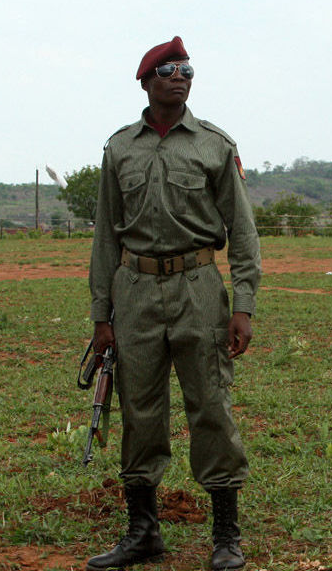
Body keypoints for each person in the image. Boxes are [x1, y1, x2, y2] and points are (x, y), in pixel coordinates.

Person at [86, 36, 261, 571]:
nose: (179, 75)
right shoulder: (120, 148)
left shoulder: (214, 145)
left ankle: (226, 536)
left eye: (186, 68)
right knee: (139, 412)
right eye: (167, 68)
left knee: (211, 406)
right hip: (134, 291)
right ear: (146, 81)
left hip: (199, 288)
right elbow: (105, 238)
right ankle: (143, 533)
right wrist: (101, 317)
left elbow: (242, 231)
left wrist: (244, 305)